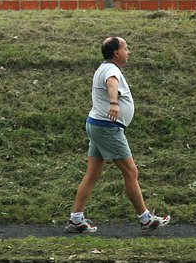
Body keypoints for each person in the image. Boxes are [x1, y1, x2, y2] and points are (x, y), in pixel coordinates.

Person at [65, 36, 170, 234]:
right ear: (116, 53)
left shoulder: (103, 67)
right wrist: (114, 103)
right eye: (126, 48)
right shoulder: (111, 71)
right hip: (107, 127)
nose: (128, 52)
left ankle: (76, 219)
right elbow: (111, 84)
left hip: (97, 125)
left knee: (93, 174)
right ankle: (145, 219)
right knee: (131, 172)